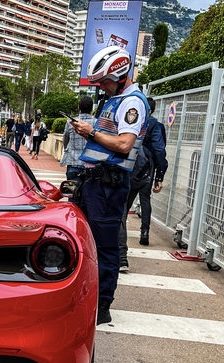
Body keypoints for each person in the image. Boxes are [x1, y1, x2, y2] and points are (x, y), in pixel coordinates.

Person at [70, 46, 150, 325]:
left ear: (120, 76)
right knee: (83, 241)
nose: (101, 87)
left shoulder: (132, 103)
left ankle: (102, 306)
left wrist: (90, 131)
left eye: (104, 81)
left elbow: (125, 144)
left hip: (109, 184)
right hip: (96, 182)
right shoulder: (117, 100)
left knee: (104, 247)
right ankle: (87, 297)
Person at [118, 96, 168, 272]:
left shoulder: (130, 121)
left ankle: (122, 256)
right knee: (145, 200)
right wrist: (159, 176)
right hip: (147, 171)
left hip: (127, 169)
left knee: (122, 210)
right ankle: (144, 232)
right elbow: (160, 151)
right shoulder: (156, 125)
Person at [60, 96, 95, 181]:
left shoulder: (70, 122)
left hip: (73, 163)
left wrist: (66, 149)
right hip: (90, 165)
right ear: (91, 108)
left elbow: (65, 139)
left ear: (78, 108)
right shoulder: (96, 122)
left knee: (72, 192)